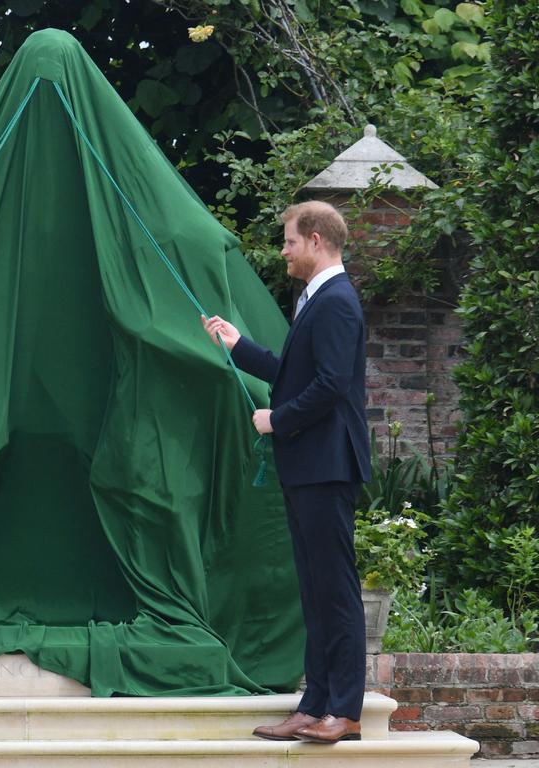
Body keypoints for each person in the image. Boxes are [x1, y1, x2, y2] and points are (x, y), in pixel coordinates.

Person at [202, 200, 370, 744]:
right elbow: (295, 373)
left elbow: (331, 386)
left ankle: (342, 711)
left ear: (316, 241)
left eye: (290, 241)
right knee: (315, 589)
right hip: (308, 466)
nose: (284, 250)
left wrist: (276, 419)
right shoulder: (313, 299)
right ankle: (313, 704)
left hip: (326, 465)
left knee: (335, 589)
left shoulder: (338, 301)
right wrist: (239, 347)